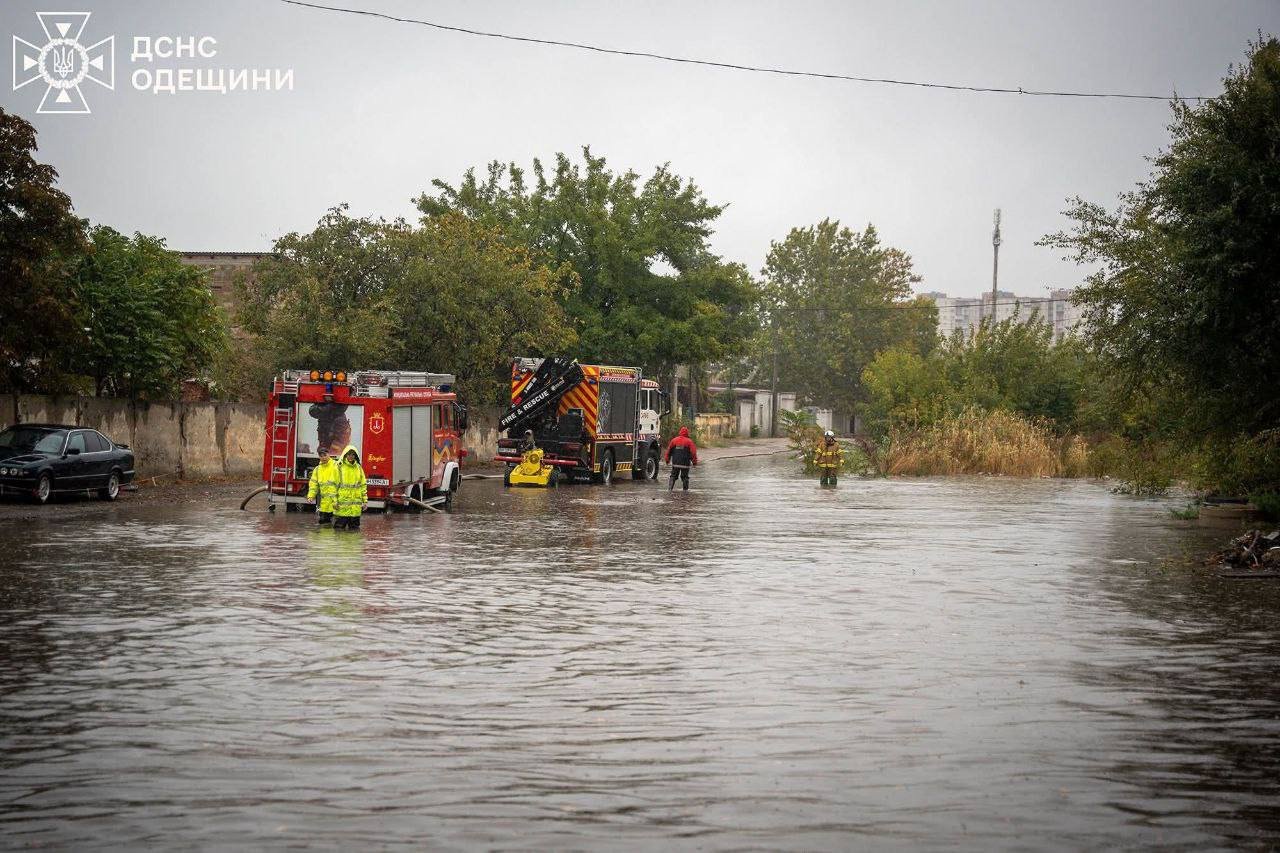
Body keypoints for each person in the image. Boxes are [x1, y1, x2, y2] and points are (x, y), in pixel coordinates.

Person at [333, 444, 367, 530]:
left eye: (353, 454)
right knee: (339, 530)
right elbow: (334, 486)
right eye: (349, 454)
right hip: (342, 508)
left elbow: (363, 485)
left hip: (355, 509)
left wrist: (365, 501)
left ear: (355, 456)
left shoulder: (359, 468)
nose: (351, 456)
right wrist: (334, 501)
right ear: (345, 455)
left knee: (354, 532)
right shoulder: (339, 467)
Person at [306, 445, 339, 525]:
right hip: (324, 504)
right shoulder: (317, 469)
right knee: (323, 525)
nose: (323, 457)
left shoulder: (336, 465)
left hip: (336, 503)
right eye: (321, 456)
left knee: (337, 526)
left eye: (325, 455)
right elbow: (313, 485)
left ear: (329, 454)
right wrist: (311, 496)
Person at [665, 426, 698, 491]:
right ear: (687, 433)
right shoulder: (689, 442)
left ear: (680, 432)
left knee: (673, 476)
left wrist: (667, 460)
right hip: (685, 464)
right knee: (685, 477)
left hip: (675, 463)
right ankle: (685, 492)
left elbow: (668, 451)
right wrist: (694, 462)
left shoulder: (674, 440)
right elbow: (693, 453)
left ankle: (670, 489)